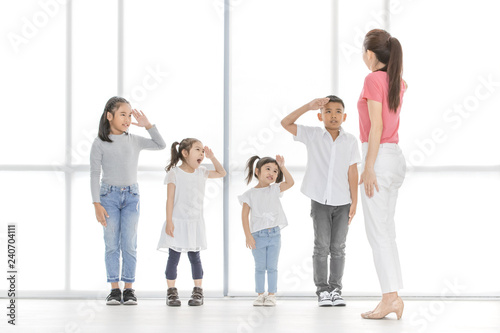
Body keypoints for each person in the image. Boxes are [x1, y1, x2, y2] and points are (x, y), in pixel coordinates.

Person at [281, 95, 360, 307]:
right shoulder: (313, 135)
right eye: (328, 111)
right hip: (320, 200)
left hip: (343, 201)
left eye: (337, 112)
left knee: (338, 247)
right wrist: (308, 106)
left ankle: (336, 289)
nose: (333, 115)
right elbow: (285, 123)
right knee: (321, 247)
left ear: (344, 116)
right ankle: (322, 291)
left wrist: (355, 201)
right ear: (320, 115)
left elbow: (353, 171)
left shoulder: (351, 140)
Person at [90, 96, 166, 305]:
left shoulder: (134, 139)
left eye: (129, 114)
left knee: (129, 244)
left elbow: (160, 144)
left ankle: (129, 289)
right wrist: (96, 203)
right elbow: (94, 174)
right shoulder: (99, 143)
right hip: (108, 197)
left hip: (132, 196)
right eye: (123, 114)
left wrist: (148, 125)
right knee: (111, 243)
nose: (127, 118)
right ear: (109, 116)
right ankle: (114, 289)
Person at [357, 28, 407, 320]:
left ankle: (390, 298)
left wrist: (368, 166)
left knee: (379, 233)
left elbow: (376, 126)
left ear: (370, 54)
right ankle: (392, 297)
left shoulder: (373, 79)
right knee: (386, 231)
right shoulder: (397, 81)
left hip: (379, 157)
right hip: (394, 157)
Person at [157, 138, 226, 306]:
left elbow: (222, 173)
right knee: (173, 258)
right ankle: (171, 292)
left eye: (203, 150)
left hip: (194, 223)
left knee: (195, 257)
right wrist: (169, 221)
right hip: (177, 222)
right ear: (185, 153)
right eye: (198, 150)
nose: (202, 153)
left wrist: (212, 157)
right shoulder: (174, 173)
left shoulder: (201, 172)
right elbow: (170, 200)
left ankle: (198, 291)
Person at [238, 155, 294, 306]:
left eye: (275, 171)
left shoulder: (275, 189)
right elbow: (244, 216)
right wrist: (248, 236)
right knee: (260, 267)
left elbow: (290, 182)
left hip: (274, 235)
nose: (272, 173)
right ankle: (260, 294)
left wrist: (283, 167)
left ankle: (271, 295)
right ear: (257, 171)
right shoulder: (249, 194)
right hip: (257, 236)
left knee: (272, 267)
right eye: (268, 169)